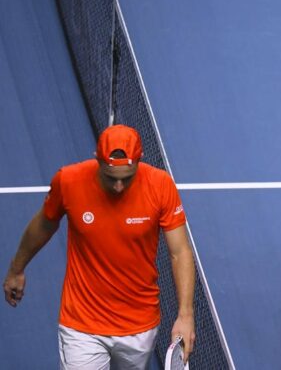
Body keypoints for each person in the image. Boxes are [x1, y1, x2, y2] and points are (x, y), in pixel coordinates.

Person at [2, 125, 196, 368]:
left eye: (127, 179)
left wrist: (185, 315)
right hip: (82, 324)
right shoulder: (68, 180)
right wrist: (16, 268)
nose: (118, 187)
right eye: (110, 178)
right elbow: (44, 225)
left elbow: (180, 252)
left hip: (140, 326)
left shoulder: (161, 186)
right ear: (97, 160)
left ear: (139, 160)